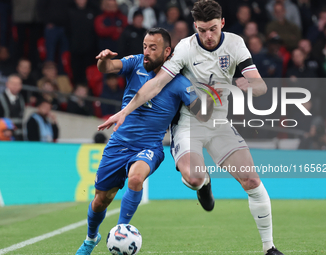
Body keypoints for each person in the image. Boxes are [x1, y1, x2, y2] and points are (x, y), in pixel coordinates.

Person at [100, 1, 285, 254]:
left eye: (212, 29)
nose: (208, 36)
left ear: (222, 23)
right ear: (194, 27)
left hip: (219, 123)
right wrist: (124, 112)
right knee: (195, 177)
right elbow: (156, 85)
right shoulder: (185, 49)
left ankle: (269, 247)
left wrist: (249, 86)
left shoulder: (235, 44)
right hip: (189, 123)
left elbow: (261, 86)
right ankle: (204, 184)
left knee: (251, 180)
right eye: (201, 30)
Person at [75, 28, 220, 255]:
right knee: (100, 201)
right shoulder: (135, 63)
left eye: (153, 48)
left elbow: (204, 113)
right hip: (118, 144)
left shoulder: (181, 84)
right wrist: (104, 60)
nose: (147, 52)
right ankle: (91, 238)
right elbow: (108, 68)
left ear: (167, 51)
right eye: (145, 46)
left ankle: (121, 230)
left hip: (149, 147)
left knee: (135, 178)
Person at [0, 74, 25, 141]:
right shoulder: (1, 98)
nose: (15, 86)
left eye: (18, 84)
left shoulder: (21, 99)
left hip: (18, 136)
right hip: (3, 136)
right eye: (13, 83)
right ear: (7, 84)